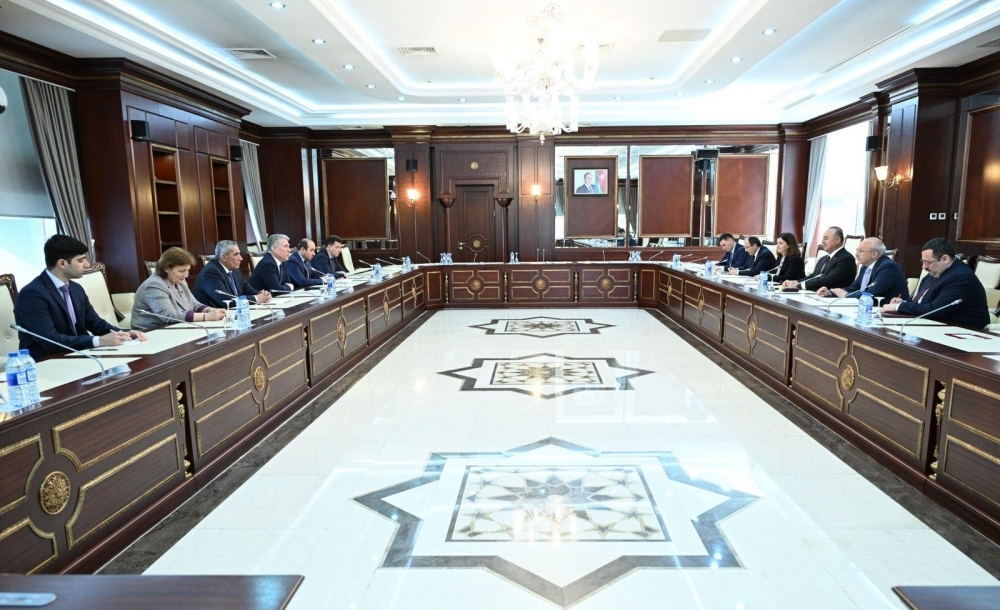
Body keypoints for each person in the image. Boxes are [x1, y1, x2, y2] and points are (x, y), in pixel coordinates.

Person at [14, 235, 146, 359]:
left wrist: (124, 333)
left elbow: (94, 323)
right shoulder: (32, 294)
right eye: (81, 260)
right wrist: (99, 341)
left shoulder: (76, 288)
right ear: (62, 263)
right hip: (47, 361)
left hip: (80, 355)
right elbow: (50, 340)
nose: (87, 264)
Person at [882, 238, 989, 328]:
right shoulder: (935, 274)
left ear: (945, 259)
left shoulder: (960, 277)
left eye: (927, 262)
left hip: (964, 331)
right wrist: (904, 302)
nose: (923, 267)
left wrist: (899, 307)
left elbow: (934, 310)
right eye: (923, 261)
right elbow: (923, 304)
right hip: (936, 325)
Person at [131, 248, 226, 332]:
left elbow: (195, 305)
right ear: (166, 268)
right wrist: (207, 316)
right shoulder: (154, 284)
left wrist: (212, 310)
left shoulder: (180, 280)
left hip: (176, 327)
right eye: (182, 271)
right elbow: (169, 315)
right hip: (151, 332)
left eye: (187, 270)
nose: (186, 275)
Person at [816, 237, 907, 300]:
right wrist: (831, 292)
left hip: (893, 313)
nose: (856, 254)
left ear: (874, 254)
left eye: (860, 251)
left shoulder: (888, 268)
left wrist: (846, 295)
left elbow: (870, 294)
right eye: (857, 250)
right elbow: (854, 288)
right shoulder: (865, 266)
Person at [192, 240, 273, 308]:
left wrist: (262, 295)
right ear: (224, 257)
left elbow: (248, 290)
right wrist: (256, 298)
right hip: (213, 316)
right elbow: (225, 300)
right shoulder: (211, 272)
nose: (241, 258)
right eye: (236, 254)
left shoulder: (235, 270)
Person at [783, 226, 855, 290]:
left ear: (837, 240)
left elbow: (829, 280)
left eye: (826, 238)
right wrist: (795, 282)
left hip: (831, 298)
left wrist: (799, 285)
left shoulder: (846, 259)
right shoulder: (823, 259)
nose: (822, 241)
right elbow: (813, 277)